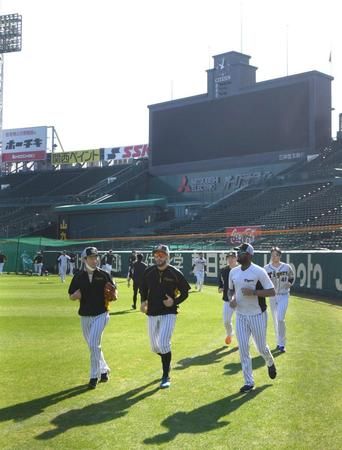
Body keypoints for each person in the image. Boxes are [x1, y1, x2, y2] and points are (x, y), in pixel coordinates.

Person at [140, 244, 191, 389]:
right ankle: (166, 362)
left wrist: (174, 301)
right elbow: (143, 288)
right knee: (155, 347)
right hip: (152, 312)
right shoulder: (149, 272)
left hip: (169, 313)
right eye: (156, 255)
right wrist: (143, 302)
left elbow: (185, 292)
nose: (158, 257)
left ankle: (165, 375)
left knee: (163, 343)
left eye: (161, 255)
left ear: (167, 256)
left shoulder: (175, 272)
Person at [229, 242, 277, 393]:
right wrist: (232, 299)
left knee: (261, 347)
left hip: (257, 315)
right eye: (238, 252)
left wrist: (254, 293)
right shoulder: (233, 272)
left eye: (241, 253)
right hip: (241, 315)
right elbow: (231, 291)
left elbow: (272, 291)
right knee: (243, 349)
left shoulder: (258, 271)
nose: (237, 255)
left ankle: (269, 361)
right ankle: (249, 382)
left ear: (249, 255)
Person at [68, 246, 117, 389]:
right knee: (93, 346)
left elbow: (114, 290)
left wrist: (114, 294)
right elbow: (71, 294)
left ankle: (93, 377)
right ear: (84, 259)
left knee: (93, 344)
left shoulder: (104, 274)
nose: (95, 260)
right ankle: (104, 370)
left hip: (101, 314)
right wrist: (74, 296)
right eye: (91, 257)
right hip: (85, 315)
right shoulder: (78, 276)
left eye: (96, 257)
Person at [264, 247, 294, 353]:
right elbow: (263, 281)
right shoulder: (266, 268)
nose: (274, 257)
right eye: (272, 255)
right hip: (272, 296)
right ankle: (279, 342)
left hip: (283, 295)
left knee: (280, 318)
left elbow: (291, 276)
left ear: (280, 256)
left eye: (276, 255)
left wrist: (290, 283)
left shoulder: (286, 267)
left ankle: (282, 343)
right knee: (275, 319)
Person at [218, 251, 239, 346]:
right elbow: (221, 282)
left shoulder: (241, 269)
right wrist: (220, 287)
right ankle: (230, 334)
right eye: (229, 258)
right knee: (226, 321)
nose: (230, 259)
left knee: (241, 323)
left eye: (233, 257)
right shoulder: (224, 270)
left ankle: (241, 341)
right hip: (227, 299)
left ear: (236, 259)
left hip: (240, 300)